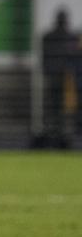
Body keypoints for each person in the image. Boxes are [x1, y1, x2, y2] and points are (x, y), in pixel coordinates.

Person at [39, 8, 80, 149]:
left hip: (67, 77)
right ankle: (57, 132)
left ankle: (61, 131)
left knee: (61, 106)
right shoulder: (66, 37)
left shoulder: (52, 37)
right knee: (54, 106)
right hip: (60, 76)